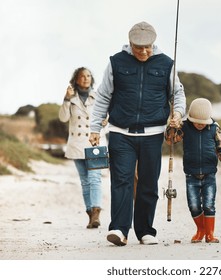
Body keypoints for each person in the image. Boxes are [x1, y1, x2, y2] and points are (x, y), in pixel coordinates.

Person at [89, 21, 186, 246]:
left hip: (153, 134)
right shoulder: (116, 62)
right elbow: (103, 96)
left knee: (148, 183)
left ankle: (145, 231)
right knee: (121, 181)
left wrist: (178, 114)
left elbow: (178, 94)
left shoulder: (167, 64)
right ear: (130, 44)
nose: (143, 52)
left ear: (153, 44)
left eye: (147, 47)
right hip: (120, 132)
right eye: (138, 47)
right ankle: (119, 230)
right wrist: (95, 128)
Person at [165, 98, 221, 243]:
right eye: (197, 122)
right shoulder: (185, 127)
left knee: (209, 204)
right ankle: (200, 230)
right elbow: (170, 140)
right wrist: (172, 126)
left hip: (209, 173)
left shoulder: (214, 128)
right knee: (194, 206)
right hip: (191, 174)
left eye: (203, 122)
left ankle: (210, 234)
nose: (200, 125)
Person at [59, 67, 107, 229]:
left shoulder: (99, 96)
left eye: (88, 76)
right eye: (82, 76)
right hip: (76, 144)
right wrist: (66, 99)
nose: (86, 79)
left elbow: (106, 117)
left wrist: (105, 122)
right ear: (76, 79)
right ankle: (90, 214)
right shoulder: (71, 99)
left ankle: (96, 213)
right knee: (85, 182)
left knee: (95, 179)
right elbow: (63, 118)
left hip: (94, 142)